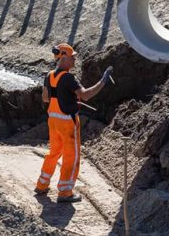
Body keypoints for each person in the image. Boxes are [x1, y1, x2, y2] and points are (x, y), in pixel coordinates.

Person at [35, 43, 113, 203]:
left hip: (53, 120)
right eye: (73, 57)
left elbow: (45, 98)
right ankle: (65, 192)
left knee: (54, 152)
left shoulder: (49, 76)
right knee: (72, 156)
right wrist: (103, 81)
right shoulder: (68, 78)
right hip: (67, 123)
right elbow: (85, 95)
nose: (75, 60)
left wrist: (63, 97)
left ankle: (42, 185)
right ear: (63, 58)